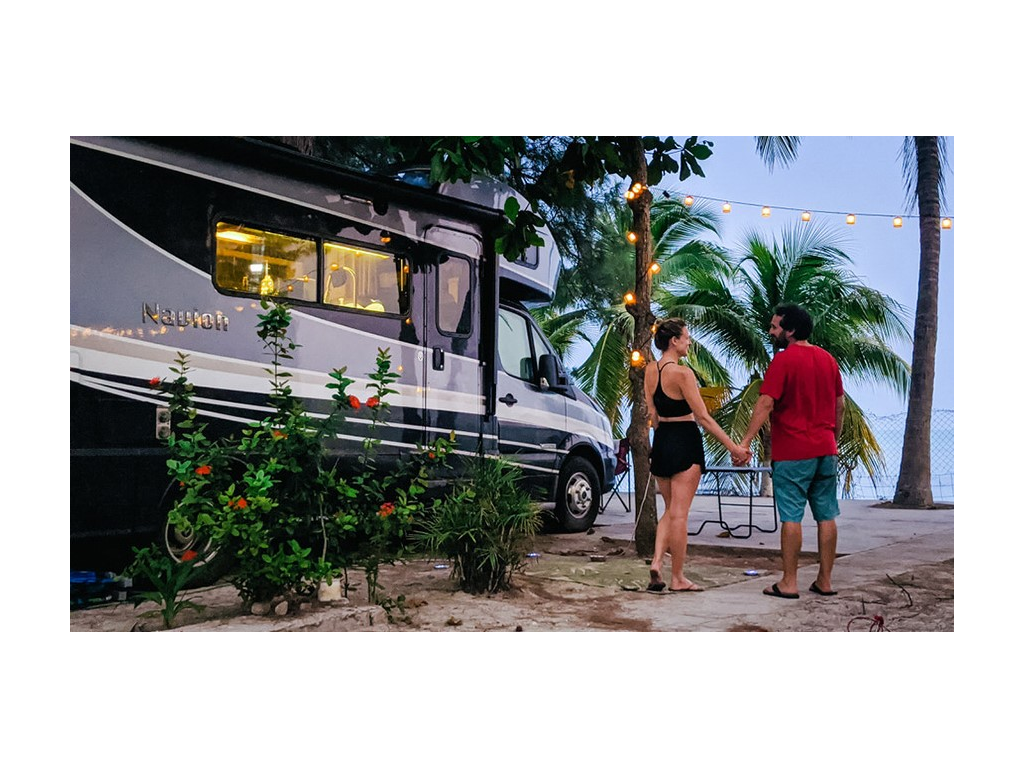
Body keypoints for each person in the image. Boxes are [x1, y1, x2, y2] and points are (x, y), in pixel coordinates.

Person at [736, 303, 845, 600]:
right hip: (826, 449)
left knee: (792, 517)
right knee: (826, 515)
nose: (771, 332)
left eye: (775, 327)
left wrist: (745, 442)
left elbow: (766, 403)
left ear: (790, 330)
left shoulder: (783, 361)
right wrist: (832, 438)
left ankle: (789, 582)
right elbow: (840, 405)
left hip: (794, 452)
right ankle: (825, 580)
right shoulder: (828, 360)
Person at [644, 318, 750, 592]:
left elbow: (653, 418)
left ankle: (657, 561)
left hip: (662, 441)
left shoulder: (650, 371)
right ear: (674, 341)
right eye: (686, 337)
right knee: (680, 514)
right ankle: (678, 577)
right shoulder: (683, 374)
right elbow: (703, 417)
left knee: (669, 511)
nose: (690, 342)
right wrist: (734, 448)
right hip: (685, 441)